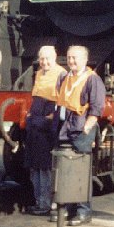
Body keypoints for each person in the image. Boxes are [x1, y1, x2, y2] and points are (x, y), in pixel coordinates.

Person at [51, 45, 105, 226]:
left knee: (82, 170)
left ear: (84, 59)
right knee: (67, 169)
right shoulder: (65, 77)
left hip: (80, 129)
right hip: (65, 128)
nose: (71, 61)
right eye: (69, 57)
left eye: (75, 58)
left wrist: (87, 128)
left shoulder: (92, 79)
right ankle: (69, 208)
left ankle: (84, 211)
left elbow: (97, 107)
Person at [25, 45, 66, 216]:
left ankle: (46, 203)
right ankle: (38, 200)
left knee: (45, 166)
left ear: (55, 57)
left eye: (48, 58)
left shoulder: (62, 74)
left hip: (48, 123)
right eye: (42, 58)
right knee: (34, 165)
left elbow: (62, 100)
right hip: (35, 121)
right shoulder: (39, 73)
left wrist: (51, 117)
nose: (44, 62)